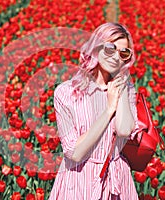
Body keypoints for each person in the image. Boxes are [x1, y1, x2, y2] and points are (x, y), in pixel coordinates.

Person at [48, 22, 140, 200]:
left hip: (116, 181)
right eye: (110, 48)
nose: (116, 57)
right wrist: (108, 110)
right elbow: (74, 153)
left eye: (124, 53)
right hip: (78, 182)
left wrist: (120, 87)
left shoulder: (126, 90)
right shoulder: (66, 93)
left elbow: (124, 130)